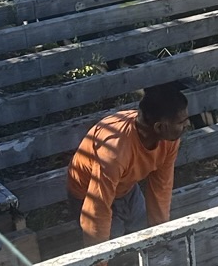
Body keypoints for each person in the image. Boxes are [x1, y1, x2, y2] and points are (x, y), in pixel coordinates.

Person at [67, 81, 189, 245]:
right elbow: (96, 209)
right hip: (88, 193)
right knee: (115, 245)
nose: (187, 125)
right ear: (159, 127)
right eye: (181, 122)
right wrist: (101, 259)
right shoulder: (114, 151)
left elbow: (162, 187)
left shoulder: (169, 139)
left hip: (126, 188)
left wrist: (161, 235)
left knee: (146, 236)